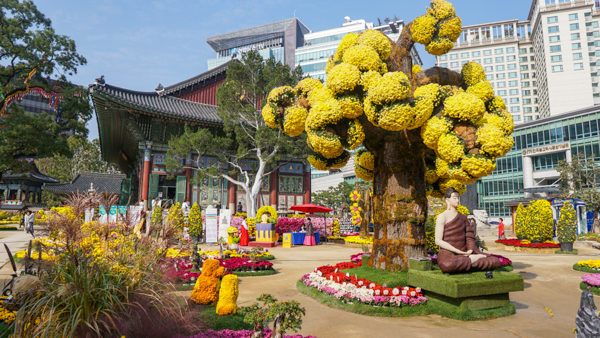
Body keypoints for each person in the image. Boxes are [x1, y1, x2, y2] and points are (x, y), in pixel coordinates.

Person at [435, 188, 501, 274]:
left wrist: (470, 250)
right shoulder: (442, 216)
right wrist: (457, 251)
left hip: (465, 252)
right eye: (454, 198)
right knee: (447, 265)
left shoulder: (463, 217)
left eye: (458, 197)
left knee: (495, 261)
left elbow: (469, 236)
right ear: (447, 200)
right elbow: (438, 241)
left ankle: (468, 261)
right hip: (448, 252)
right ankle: (472, 260)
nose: (457, 200)